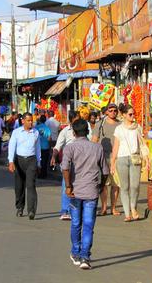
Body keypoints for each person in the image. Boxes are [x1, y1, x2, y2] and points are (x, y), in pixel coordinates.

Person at [61, 119, 109, 270]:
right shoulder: (97, 148)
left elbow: (65, 169)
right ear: (88, 131)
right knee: (88, 225)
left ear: (74, 133)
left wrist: (68, 186)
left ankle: (76, 252)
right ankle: (85, 257)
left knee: (76, 223)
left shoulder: (70, 148)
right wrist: (101, 185)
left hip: (75, 191)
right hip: (91, 191)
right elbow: (106, 171)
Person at [111, 103, 148, 222]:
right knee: (124, 187)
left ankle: (133, 207)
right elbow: (115, 147)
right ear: (124, 115)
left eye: (133, 114)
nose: (133, 116)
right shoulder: (119, 129)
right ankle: (127, 213)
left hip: (135, 157)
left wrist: (146, 158)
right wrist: (112, 162)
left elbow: (142, 143)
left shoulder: (137, 127)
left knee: (135, 186)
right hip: (121, 158)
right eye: (130, 114)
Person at [8, 113, 41, 220]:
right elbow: (12, 146)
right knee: (19, 186)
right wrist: (11, 161)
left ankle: (31, 210)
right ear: (23, 121)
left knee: (31, 185)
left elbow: (37, 148)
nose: (31, 122)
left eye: (32, 120)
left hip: (31, 160)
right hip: (19, 160)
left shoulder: (35, 132)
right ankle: (20, 207)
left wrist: (39, 162)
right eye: (28, 120)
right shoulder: (16, 132)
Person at [92, 103, 121, 216]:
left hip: (117, 157)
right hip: (102, 157)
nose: (113, 112)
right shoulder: (100, 124)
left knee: (115, 184)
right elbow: (94, 140)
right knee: (103, 184)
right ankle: (104, 207)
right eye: (111, 110)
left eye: (115, 110)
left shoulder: (120, 125)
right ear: (106, 112)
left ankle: (113, 208)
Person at [51, 110, 78, 220]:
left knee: (78, 186)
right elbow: (58, 146)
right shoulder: (65, 131)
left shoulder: (84, 129)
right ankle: (65, 210)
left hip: (81, 162)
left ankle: (75, 209)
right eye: (76, 119)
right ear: (71, 120)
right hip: (68, 162)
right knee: (66, 185)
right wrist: (53, 156)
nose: (78, 121)